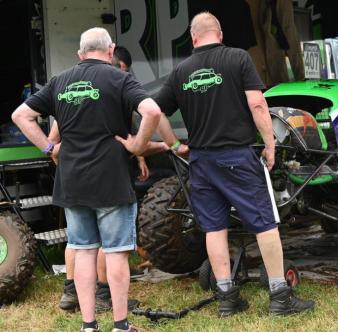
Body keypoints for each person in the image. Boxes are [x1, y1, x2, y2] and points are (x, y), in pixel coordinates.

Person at [147, 12, 315, 316]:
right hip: (236, 156)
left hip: (200, 161)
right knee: (264, 222)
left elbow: (155, 112)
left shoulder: (180, 71)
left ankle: (227, 298)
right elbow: (257, 104)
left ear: (194, 38)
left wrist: (173, 145)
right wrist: (270, 143)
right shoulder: (237, 58)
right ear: (220, 34)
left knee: (214, 228)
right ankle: (280, 296)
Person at [12, 27, 176, 332]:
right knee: (115, 253)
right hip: (111, 179)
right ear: (111, 50)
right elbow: (152, 111)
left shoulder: (60, 81)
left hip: (72, 181)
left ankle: (89, 326)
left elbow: (20, 115)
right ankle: (121, 325)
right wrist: (138, 146)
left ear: (79, 55)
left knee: (83, 250)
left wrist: (50, 147)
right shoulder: (120, 78)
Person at [57, 45, 148, 313]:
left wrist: (53, 150)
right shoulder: (116, 83)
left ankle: (71, 291)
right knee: (105, 242)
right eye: (122, 70)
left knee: (78, 241)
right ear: (112, 59)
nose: (122, 76)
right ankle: (104, 294)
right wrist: (141, 149)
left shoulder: (67, 87)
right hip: (105, 174)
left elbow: (54, 130)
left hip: (73, 171)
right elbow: (144, 118)